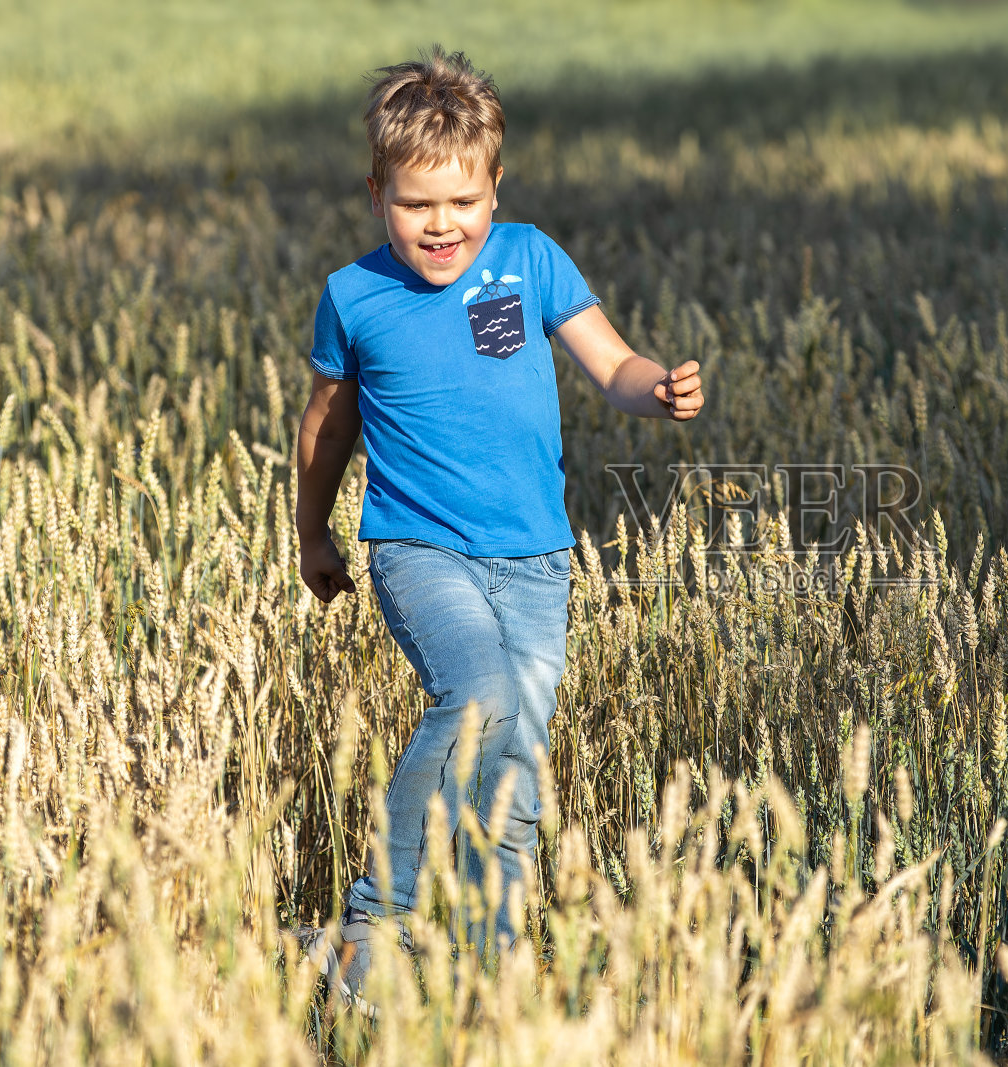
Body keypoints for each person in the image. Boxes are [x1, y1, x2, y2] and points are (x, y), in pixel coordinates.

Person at [294, 46, 704, 1011]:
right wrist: (312, 534)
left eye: (462, 201)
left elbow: (612, 365)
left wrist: (663, 389)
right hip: (417, 547)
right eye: (414, 205)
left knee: (516, 756)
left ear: (495, 186)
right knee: (478, 694)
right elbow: (325, 427)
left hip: (537, 561)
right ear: (376, 193)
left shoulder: (530, 259)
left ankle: (487, 958)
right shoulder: (355, 295)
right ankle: (373, 924)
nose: (441, 226)